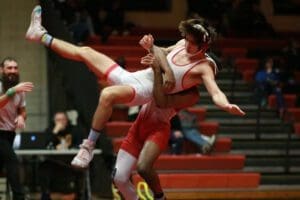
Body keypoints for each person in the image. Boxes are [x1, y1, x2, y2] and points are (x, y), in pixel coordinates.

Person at [25, 5, 245, 168]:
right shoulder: (181, 43)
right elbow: (159, 51)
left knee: (107, 95)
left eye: (192, 43)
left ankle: (88, 147)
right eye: (186, 40)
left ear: (204, 45)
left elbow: (215, 92)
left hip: (144, 91)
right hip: (136, 76)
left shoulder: (204, 67)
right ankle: (41, 35)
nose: (186, 45)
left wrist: (226, 105)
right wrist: (152, 48)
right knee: (86, 52)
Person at [0, 57, 34, 200]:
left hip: (10, 133)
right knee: (13, 162)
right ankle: (19, 197)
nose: (13, 71)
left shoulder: (21, 90)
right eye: (9, 68)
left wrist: (21, 117)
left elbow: (23, 110)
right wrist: (12, 91)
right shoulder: (6, 87)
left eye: (15, 68)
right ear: (1, 70)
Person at [39, 111, 85, 200]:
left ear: (67, 120)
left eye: (63, 119)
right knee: (43, 167)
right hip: (54, 161)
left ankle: (79, 194)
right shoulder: (50, 130)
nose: (61, 122)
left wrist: (71, 148)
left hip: (71, 161)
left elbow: (81, 144)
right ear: (54, 121)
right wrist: (55, 131)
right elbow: (45, 145)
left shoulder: (75, 130)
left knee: (81, 167)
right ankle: (46, 195)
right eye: (58, 120)